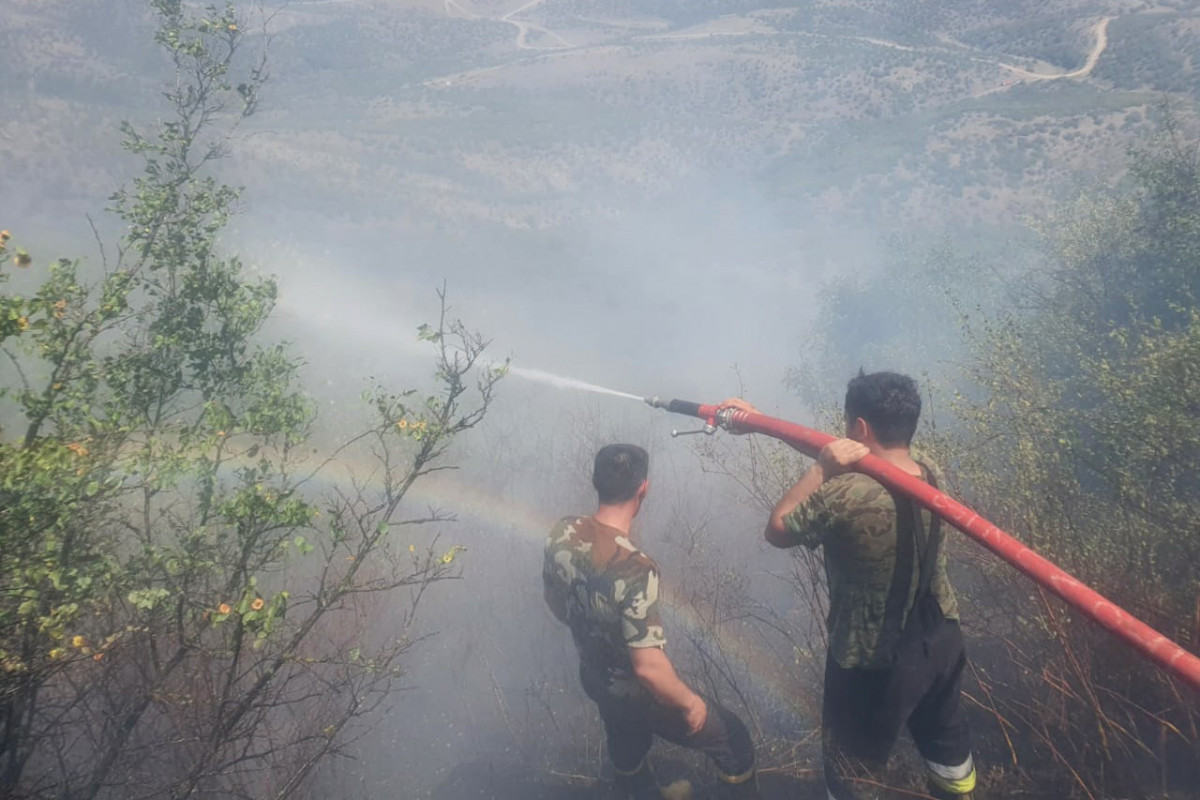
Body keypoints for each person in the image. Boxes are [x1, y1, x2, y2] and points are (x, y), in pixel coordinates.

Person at [725, 372, 976, 800]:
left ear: (859, 428)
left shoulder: (846, 493)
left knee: (850, 775)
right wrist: (762, 422)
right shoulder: (930, 471)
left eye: (846, 424)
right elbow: (847, 454)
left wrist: (821, 467)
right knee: (949, 752)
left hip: (872, 659)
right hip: (940, 639)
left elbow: (779, 528)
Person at [543, 444, 759, 800]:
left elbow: (554, 603)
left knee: (625, 739)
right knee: (733, 741)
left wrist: (596, 637)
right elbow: (648, 670)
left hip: (594, 679)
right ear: (644, 488)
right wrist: (690, 705)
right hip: (638, 694)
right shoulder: (636, 568)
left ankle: (640, 792)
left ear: (595, 480)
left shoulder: (561, 531)